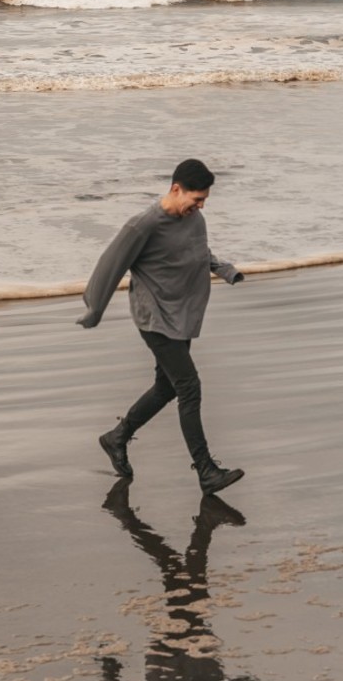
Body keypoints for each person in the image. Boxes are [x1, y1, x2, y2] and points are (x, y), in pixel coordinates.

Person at [77, 158, 245, 495]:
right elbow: (109, 266)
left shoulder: (195, 219)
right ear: (175, 189)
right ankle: (206, 471)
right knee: (189, 387)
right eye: (196, 199)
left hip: (182, 315)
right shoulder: (143, 225)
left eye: (204, 201)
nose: (200, 206)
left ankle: (117, 437)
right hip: (155, 318)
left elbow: (199, 252)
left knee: (167, 387)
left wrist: (224, 269)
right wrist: (95, 309)